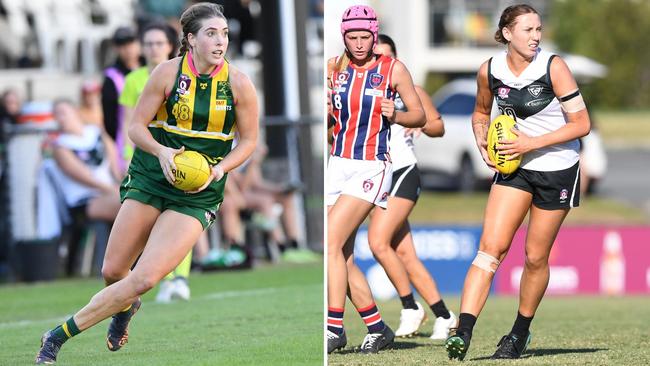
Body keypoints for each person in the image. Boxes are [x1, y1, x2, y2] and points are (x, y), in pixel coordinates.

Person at [35, 3, 259, 364]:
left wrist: (220, 170)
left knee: (144, 277)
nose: (221, 41)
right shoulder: (166, 73)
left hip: (197, 195)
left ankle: (56, 337)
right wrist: (162, 152)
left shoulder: (239, 83)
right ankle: (125, 309)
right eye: (211, 33)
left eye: (225, 34)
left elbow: (248, 141)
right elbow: (135, 127)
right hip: (152, 177)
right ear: (190, 39)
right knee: (113, 272)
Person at [444, 4, 590, 361]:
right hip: (515, 168)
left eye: (538, 29)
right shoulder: (489, 70)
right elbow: (480, 112)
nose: (536, 36)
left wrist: (530, 143)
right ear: (507, 33)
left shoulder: (553, 67)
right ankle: (462, 331)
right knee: (490, 249)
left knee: (535, 256)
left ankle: (519, 333)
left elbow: (581, 124)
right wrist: (481, 135)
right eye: (528, 30)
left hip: (557, 168)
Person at [326, 5, 425, 354]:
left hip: (372, 165)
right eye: (351, 37)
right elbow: (331, 123)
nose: (358, 43)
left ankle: (333, 328)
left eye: (364, 36)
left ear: (374, 34)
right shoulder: (334, 69)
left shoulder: (392, 69)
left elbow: (420, 115)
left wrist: (395, 113)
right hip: (337, 163)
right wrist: (326, 112)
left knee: (329, 240)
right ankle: (377, 326)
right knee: (342, 254)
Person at [359, 33, 456, 340]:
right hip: (375, 175)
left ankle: (409, 306)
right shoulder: (362, 88)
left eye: (387, 56)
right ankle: (444, 315)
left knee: (377, 242)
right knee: (405, 255)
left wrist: (408, 120)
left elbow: (437, 126)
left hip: (403, 171)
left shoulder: (409, 90)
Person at [117, 22, 193, 302]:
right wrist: (124, 157)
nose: (152, 48)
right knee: (147, 223)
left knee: (182, 218)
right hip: (145, 160)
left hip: (178, 156)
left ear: (171, 46)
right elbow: (128, 123)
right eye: (147, 43)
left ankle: (180, 278)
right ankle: (165, 279)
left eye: (158, 43)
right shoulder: (134, 79)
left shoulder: (184, 76)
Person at [101, 26, 143, 173]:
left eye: (131, 42)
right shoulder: (112, 76)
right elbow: (109, 119)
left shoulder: (153, 68)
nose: (128, 49)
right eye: (122, 45)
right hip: (127, 142)